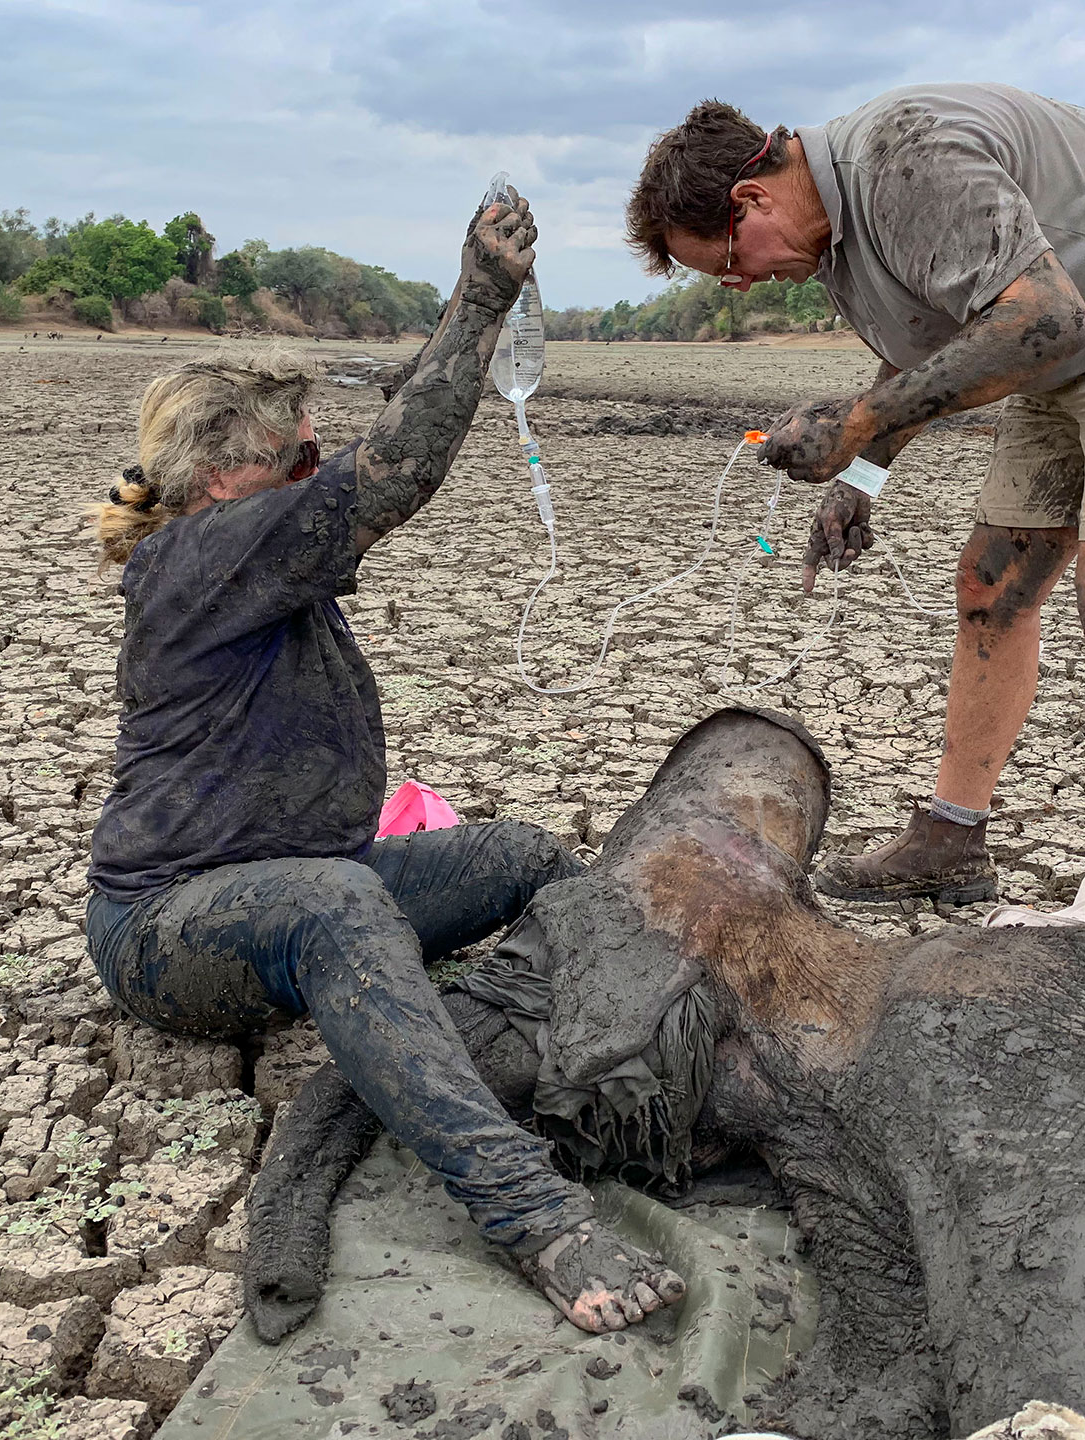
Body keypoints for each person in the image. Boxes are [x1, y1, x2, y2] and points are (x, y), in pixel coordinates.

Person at [82, 192, 685, 1334]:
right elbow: (398, 466)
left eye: (316, 452)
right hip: (167, 932)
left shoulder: (254, 525)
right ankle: (530, 1214)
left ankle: (594, 1056)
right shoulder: (206, 553)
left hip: (309, 873)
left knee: (519, 857)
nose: (316, 470)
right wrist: (485, 308)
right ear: (221, 477)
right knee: (342, 903)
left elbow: (391, 426)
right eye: (294, 457)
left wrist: (468, 300)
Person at [624, 86, 1085, 919]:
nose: (740, 285)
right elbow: (928, 353)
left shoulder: (904, 161)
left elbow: (1045, 317)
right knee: (992, 587)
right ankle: (951, 841)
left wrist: (858, 425)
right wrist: (860, 477)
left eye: (729, 261)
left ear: (751, 197)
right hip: (1069, 342)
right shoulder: (836, 249)